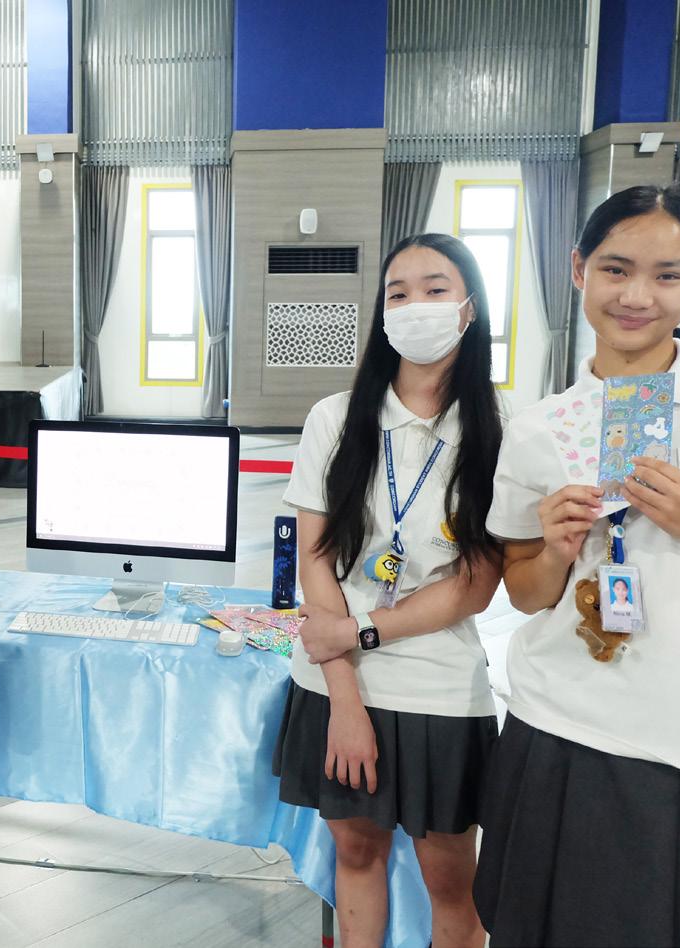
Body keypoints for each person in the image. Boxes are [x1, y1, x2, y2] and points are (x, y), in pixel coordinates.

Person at [474, 185, 680, 946]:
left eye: (668, 274)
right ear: (578, 270)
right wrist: (555, 549)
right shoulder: (540, 428)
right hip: (565, 728)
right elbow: (525, 593)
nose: (637, 296)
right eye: (615, 269)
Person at [274, 233, 504, 948]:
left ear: (469, 308)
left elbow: (475, 586)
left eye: (435, 289)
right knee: (355, 851)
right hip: (334, 679)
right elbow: (315, 561)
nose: (414, 306)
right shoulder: (334, 418)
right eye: (397, 293)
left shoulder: (499, 429)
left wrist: (360, 630)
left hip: (439, 685)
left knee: (450, 880)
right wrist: (344, 696)